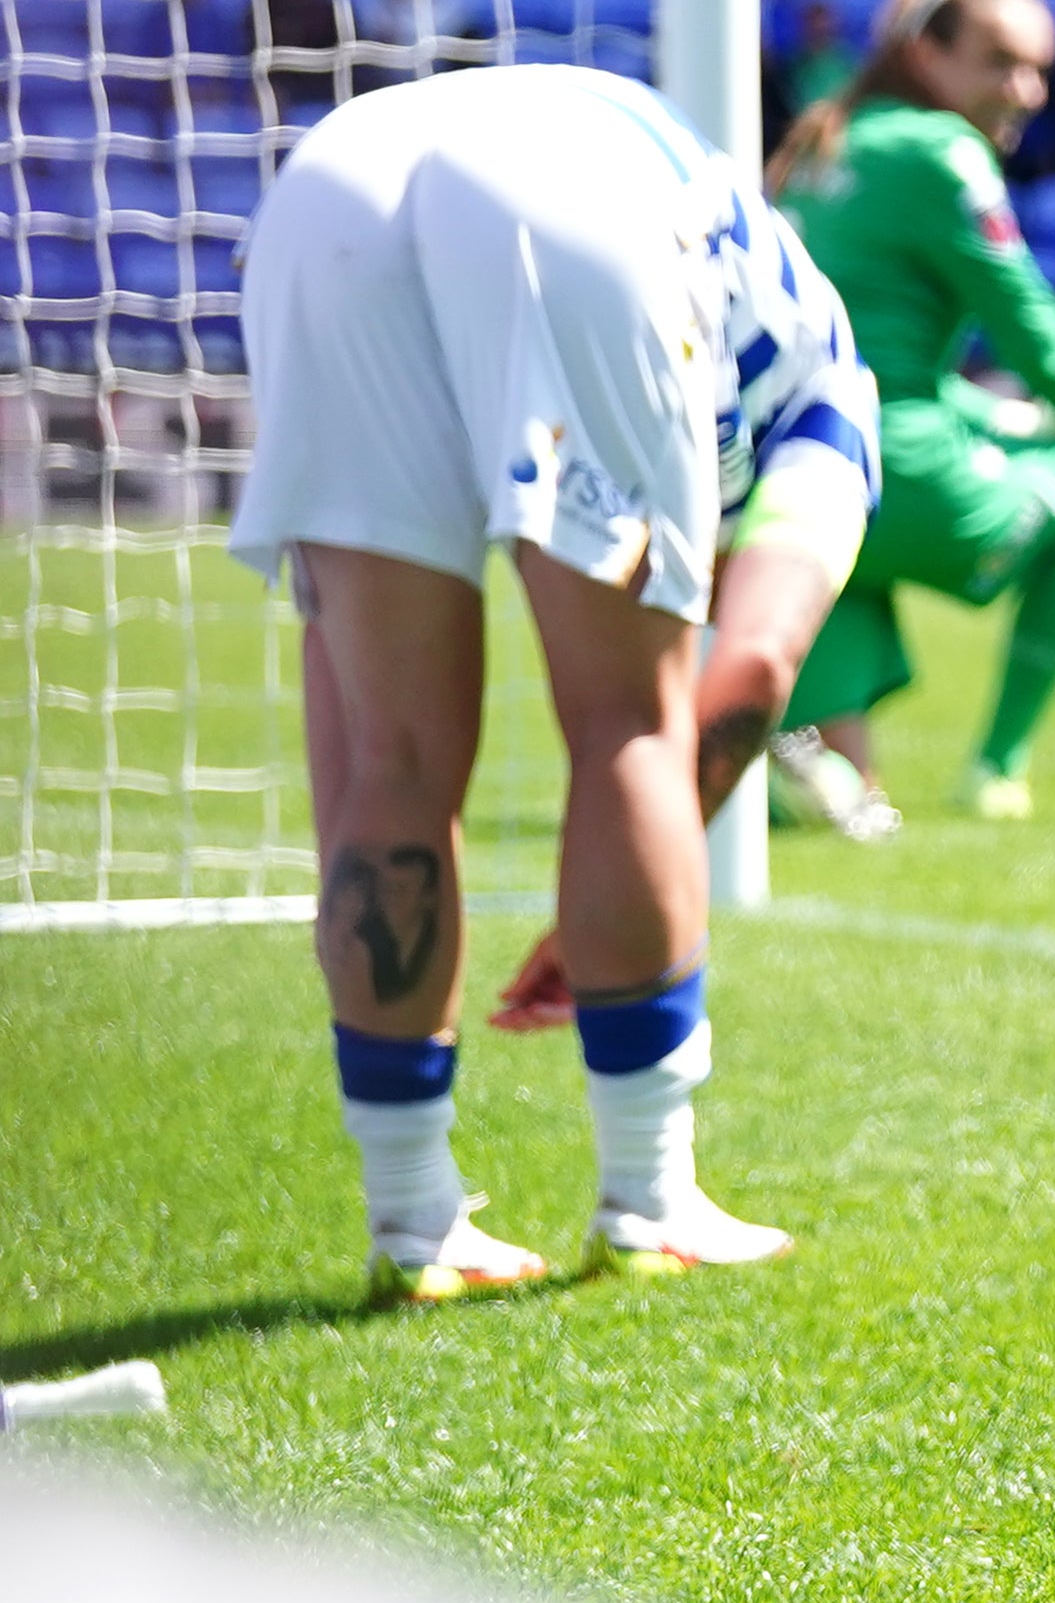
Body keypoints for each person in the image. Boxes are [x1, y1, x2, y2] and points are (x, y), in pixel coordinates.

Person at [228, 64, 877, 1304]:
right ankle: (651, 1198)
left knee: (388, 754)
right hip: (580, 201)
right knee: (627, 720)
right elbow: (748, 672)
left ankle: (414, 1223)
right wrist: (621, 890)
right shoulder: (834, 390)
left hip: (327, 178)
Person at [767, 0, 1055, 834]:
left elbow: (881, 355)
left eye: (1039, 71)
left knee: (844, 808)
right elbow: (1019, 309)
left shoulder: (826, 136)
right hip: (898, 465)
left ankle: (802, 772)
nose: (1024, 91)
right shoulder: (940, 149)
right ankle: (996, 768)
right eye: (1000, 61)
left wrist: (1000, 415)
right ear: (925, 54)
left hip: (797, 472)